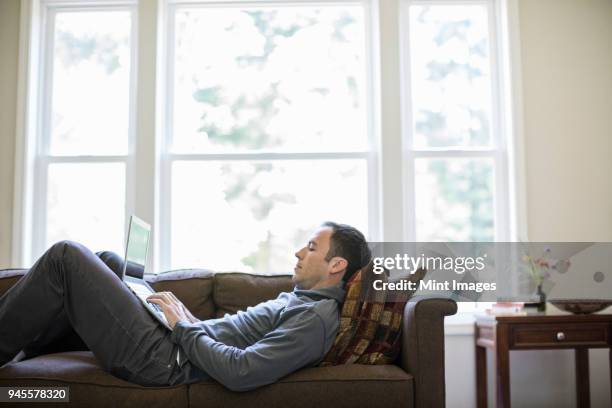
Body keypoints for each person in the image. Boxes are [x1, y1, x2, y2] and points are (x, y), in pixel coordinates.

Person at [0, 222, 371, 391]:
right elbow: (234, 337)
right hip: (176, 341)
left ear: (336, 265)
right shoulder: (304, 299)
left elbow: (243, 371)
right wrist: (187, 319)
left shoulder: (315, 320)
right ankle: (29, 349)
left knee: (67, 256)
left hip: (165, 360)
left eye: (310, 247)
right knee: (110, 260)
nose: (298, 252)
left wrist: (183, 328)